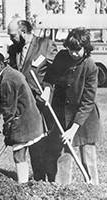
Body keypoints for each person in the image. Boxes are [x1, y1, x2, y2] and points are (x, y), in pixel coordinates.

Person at [41, 27, 103, 184]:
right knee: (63, 155)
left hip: (85, 118)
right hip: (63, 114)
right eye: (71, 50)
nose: (73, 53)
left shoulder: (90, 67)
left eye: (77, 50)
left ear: (86, 48)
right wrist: (47, 90)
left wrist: (73, 129)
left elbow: (87, 102)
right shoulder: (62, 57)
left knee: (87, 157)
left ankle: (93, 189)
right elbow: (50, 76)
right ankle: (62, 188)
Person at [7, 18, 58, 181]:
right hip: (24, 105)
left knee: (45, 144)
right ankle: (37, 181)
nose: (11, 39)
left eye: (13, 35)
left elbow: (55, 71)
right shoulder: (13, 49)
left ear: (23, 31)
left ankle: (50, 181)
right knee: (31, 143)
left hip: (42, 102)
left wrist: (48, 88)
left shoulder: (45, 45)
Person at [0, 51, 44, 183]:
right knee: (23, 155)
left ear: (0, 63)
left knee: (19, 156)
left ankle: (22, 186)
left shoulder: (7, 80)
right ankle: (28, 183)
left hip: (23, 122)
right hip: (30, 119)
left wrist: (8, 131)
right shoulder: (12, 73)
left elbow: (8, 109)